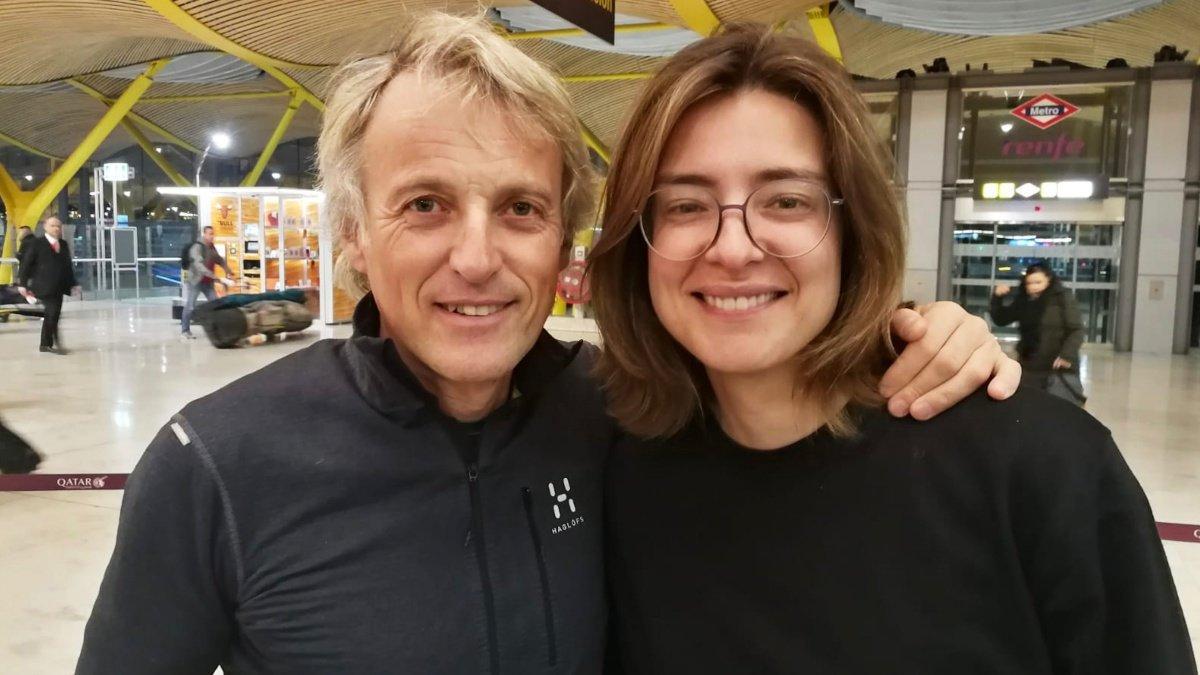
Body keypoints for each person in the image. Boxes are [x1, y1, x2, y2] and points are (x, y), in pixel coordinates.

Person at [77, 13, 1020, 674]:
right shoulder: (220, 467)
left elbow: (769, 355)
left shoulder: (628, 409)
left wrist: (924, 333)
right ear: (355, 236)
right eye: (426, 205)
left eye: (520, 209)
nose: (478, 257)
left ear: (563, 240)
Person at [590, 24, 1195, 674]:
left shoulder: (1041, 471)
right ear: (638, 241)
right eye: (686, 205)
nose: (733, 247)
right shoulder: (619, 471)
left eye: (787, 200)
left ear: (855, 232)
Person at [990, 262, 1085, 390]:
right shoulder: (1023, 301)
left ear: (1048, 280)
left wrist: (1066, 355)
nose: (1033, 287)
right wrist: (997, 298)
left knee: (1056, 405)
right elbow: (1001, 319)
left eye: (1038, 282)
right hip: (1029, 365)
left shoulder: (1062, 298)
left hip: (1057, 365)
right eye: (1029, 283)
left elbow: (1076, 330)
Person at [17, 216, 79, 355]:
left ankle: (49, 343)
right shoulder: (37, 243)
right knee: (51, 314)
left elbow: (67, 266)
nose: (56, 229)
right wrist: (22, 284)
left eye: (58, 226)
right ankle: (49, 343)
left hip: (59, 286)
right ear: (45, 227)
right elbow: (26, 264)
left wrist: (74, 284)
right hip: (43, 286)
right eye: (53, 226)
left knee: (54, 315)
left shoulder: (63, 244)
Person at [180, 225, 235, 339]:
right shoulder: (197, 248)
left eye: (213, 234)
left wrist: (228, 271)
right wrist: (217, 277)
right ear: (204, 234)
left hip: (208, 283)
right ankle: (185, 331)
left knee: (215, 304)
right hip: (196, 281)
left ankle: (217, 329)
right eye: (209, 233)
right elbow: (199, 267)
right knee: (190, 306)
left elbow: (219, 260)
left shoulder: (211, 248)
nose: (212, 236)